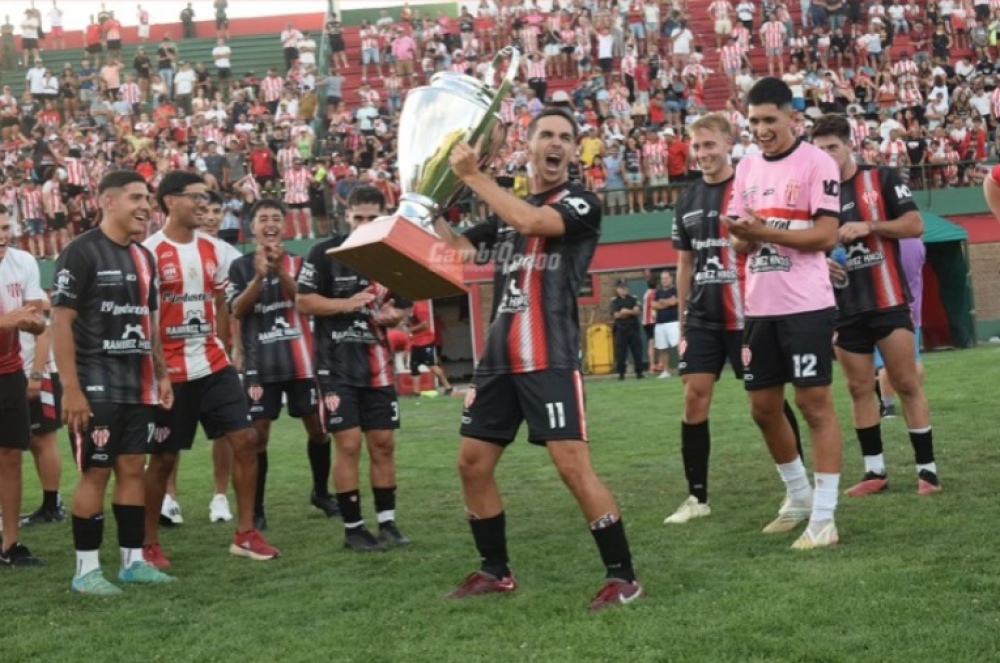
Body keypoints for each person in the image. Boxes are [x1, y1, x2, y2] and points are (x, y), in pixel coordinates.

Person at [431, 107, 642, 610]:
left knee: (572, 467)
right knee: (472, 464)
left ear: (573, 150)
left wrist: (473, 176)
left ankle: (624, 577)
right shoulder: (507, 209)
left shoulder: (581, 203)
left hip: (548, 355)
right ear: (528, 145)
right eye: (546, 134)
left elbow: (531, 220)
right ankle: (495, 571)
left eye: (566, 138)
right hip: (498, 361)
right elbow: (457, 249)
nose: (556, 143)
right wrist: (429, 202)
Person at [724, 78, 843, 550]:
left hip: (806, 305)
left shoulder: (818, 162)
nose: (761, 129)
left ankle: (825, 517)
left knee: (815, 408)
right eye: (753, 121)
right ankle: (797, 496)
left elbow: (826, 236)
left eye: (769, 120)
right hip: (761, 304)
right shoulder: (746, 168)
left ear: (792, 116)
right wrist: (745, 234)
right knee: (763, 408)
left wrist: (765, 232)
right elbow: (738, 238)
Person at [667, 113, 804, 525]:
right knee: (694, 398)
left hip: (752, 312)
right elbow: (684, 263)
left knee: (768, 403)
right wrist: (682, 318)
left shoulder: (749, 184)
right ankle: (697, 497)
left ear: (729, 143)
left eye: (710, 145)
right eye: (697, 147)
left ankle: (797, 485)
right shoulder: (687, 200)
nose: (703, 153)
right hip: (704, 318)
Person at [142, 171, 278, 569]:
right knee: (164, 459)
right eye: (195, 197)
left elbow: (224, 304)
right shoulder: (149, 252)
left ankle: (246, 533)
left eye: (207, 197)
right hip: (172, 371)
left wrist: (230, 348)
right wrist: (158, 370)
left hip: (214, 364)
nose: (203, 204)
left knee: (246, 439)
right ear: (169, 201)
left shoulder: (217, 250)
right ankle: (148, 543)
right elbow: (147, 318)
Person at [52, 170, 175, 594]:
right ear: (108, 201)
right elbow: (61, 322)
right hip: (93, 383)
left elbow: (150, 322)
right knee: (96, 472)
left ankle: (133, 562)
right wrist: (71, 387)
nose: (146, 206)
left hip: (136, 383)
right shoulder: (80, 252)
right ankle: (86, 572)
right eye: (137, 198)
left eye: (148, 198)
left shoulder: (145, 257)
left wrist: (161, 374)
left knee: (131, 470)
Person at [810, 114, 939, 496]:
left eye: (833, 147)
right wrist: (822, 263)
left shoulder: (881, 179)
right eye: (820, 150)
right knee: (858, 388)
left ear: (850, 144)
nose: (828, 156)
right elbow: (807, 247)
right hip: (842, 307)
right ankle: (874, 472)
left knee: (906, 383)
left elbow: (915, 225)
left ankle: (927, 471)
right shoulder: (816, 196)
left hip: (887, 301)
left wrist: (871, 226)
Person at [296, 186, 411, 553]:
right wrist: (346, 304)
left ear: (384, 217)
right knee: (347, 444)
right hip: (336, 364)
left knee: (383, 444)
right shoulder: (325, 253)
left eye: (372, 218)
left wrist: (394, 316)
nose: (364, 224)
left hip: (377, 365)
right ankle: (354, 528)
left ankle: (388, 522)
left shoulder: (392, 255)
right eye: (358, 217)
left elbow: (400, 308)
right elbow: (303, 301)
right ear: (346, 216)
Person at [228, 199, 339, 529]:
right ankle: (258, 509)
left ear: (285, 225)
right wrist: (260, 277)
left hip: (302, 361)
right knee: (258, 436)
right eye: (263, 218)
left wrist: (280, 272)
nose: (270, 223)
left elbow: (304, 301)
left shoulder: (301, 262)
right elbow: (236, 309)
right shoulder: (240, 266)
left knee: (319, 430)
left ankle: (321, 492)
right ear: (253, 226)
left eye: (276, 218)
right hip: (261, 365)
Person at [0, 203, 46, 566]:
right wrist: (7, 320)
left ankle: (11, 543)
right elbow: (17, 318)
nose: (3, 236)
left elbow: (38, 321)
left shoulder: (24, 261)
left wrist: (23, 321)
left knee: (11, 455)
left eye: (5, 227)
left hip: (9, 371)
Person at [18, 296, 65, 526]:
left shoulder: (23, 273)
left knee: (42, 440)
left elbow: (44, 328)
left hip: (37, 372)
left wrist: (36, 374)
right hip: (11, 373)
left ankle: (53, 503)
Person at [875, 237, 925, 418]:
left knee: (886, 363)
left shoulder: (885, 241)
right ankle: (914, 399)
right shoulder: (916, 241)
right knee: (914, 359)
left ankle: (887, 406)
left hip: (887, 306)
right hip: (913, 307)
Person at [408, 299, 453, 395]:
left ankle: (448, 386)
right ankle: (416, 392)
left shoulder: (420, 307)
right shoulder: (408, 309)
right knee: (414, 366)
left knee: (431, 366)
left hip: (425, 341)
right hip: (415, 342)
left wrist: (411, 330)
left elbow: (425, 324)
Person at [610, 280, 645, 380]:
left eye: (625, 288)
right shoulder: (615, 301)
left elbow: (637, 311)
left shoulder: (633, 299)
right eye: (621, 288)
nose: (623, 290)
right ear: (617, 290)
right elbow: (616, 315)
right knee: (621, 353)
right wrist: (630, 312)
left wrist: (625, 311)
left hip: (633, 328)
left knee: (637, 352)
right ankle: (621, 374)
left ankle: (639, 372)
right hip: (621, 330)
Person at [652, 270, 679, 378]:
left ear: (671, 278)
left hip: (674, 322)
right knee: (662, 348)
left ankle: (683, 367)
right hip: (660, 324)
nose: (664, 280)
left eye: (666, 278)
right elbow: (654, 305)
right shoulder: (658, 292)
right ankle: (666, 371)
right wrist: (668, 302)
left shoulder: (676, 290)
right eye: (663, 278)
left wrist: (662, 302)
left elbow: (675, 302)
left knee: (678, 346)